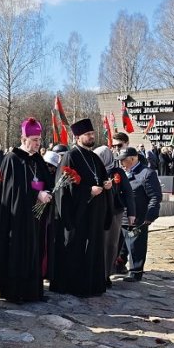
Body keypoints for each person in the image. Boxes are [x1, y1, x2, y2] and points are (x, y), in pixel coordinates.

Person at [0, 118, 53, 303]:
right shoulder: (12, 159)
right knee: (18, 251)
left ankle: (33, 291)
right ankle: (16, 292)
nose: (38, 143)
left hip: (35, 214)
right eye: (34, 139)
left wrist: (48, 192)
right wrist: (36, 195)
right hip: (17, 217)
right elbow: (12, 191)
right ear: (23, 138)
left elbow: (45, 180)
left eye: (39, 140)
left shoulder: (37, 159)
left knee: (35, 250)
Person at [50, 118, 112, 298]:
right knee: (77, 249)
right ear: (77, 137)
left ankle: (93, 284)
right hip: (78, 213)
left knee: (93, 248)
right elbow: (64, 187)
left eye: (92, 134)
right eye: (88, 134)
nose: (92, 137)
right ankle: (75, 286)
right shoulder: (70, 156)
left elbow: (99, 177)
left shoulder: (94, 157)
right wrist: (88, 192)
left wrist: (106, 185)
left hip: (94, 213)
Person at [119, 147, 162, 282]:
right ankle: (119, 265)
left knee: (136, 245)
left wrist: (150, 215)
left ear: (132, 159)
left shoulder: (147, 173)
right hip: (123, 216)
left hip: (138, 216)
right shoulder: (122, 173)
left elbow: (155, 196)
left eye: (123, 161)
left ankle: (135, 271)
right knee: (122, 245)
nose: (121, 164)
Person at [94, 146, 135, 286]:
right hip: (97, 212)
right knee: (97, 242)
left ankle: (106, 274)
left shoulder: (117, 172)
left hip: (114, 213)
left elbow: (128, 193)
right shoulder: (94, 170)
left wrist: (131, 213)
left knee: (110, 243)